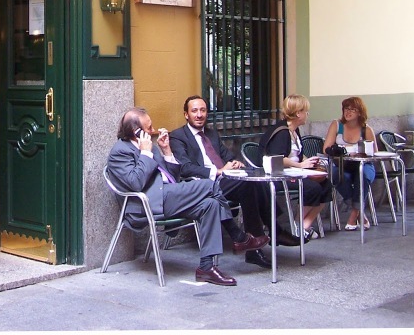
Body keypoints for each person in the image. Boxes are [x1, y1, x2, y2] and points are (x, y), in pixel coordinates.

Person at [106, 107, 269, 286]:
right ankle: (239, 237)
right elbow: (136, 183)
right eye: (148, 127)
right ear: (136, 131)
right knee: (210, 185)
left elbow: (172, 178)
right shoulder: (120, 152)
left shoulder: (149, 146)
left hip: (169, 196)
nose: (153, 130)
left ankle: (206, 268)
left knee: (209, 204)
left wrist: (166, 152)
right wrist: (145, 153)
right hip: (147, 204)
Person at [169, 96, 301, 270]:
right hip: (204, 185)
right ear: (186, 114)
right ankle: (271, 235)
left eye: (203, 110)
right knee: (249, 184)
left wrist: (235, 163)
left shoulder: (211, 134)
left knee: (254, 182)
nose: (199, 115)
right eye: (194, 111)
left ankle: (263, 240)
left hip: (226, 180)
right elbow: (185, 168)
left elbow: (227, 156)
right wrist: (217, 171)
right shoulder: (178, 136)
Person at [260, 94, 332, 241]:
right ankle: (298, 227)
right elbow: (278, 158)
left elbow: (297, 154)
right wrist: (300, 165)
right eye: (306, 111)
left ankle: (302, 226)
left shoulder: (295, 130)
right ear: (298, 113)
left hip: (295, 173)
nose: (307, 115)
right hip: (280, 175)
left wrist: (310, 162)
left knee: (326, 185)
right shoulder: (282, 132)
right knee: (313, 188)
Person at [323, 96, 376, 231]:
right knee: (337, 175)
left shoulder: (366, 129)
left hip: (364, 165)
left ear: (360, 112)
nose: (348, 112)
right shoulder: (336, 125)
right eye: (346, 109)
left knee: (362, 176)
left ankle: (353, 215)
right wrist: (342, 151)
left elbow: (374, 153)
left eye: (352, 109)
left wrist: (362, 153)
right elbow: (326, 149)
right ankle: (359, 212)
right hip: (343, 165)